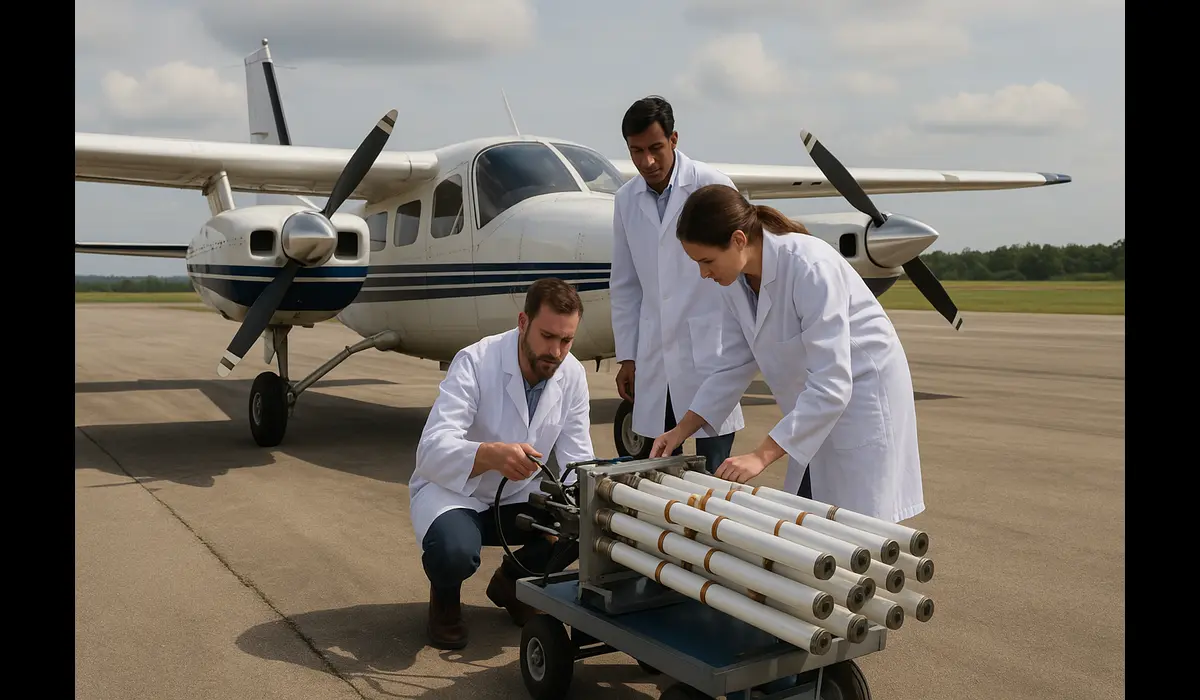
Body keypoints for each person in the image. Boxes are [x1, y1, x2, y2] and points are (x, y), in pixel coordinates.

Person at [649, 184, 925, 524]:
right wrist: (681, 430)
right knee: (815, 518)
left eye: (707, 261)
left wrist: (760, 456)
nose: (703, 273)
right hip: (817, 403)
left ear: (738, 240)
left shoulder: (809, 266)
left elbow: (833, 383)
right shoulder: (736, 281)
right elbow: (732, 365)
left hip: (862, 397)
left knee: (858, 526)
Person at [410, 278, 595, 650]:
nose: (556, 351)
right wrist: (490, 455)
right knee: (454, 551)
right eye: (547, 336)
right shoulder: (476, 361)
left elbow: (578, 459)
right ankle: (445, 600)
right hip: (455, 494)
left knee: (585, 521)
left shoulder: (571, 374)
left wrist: (592, 500)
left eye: (566, 340)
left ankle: (510, 583)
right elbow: (431, 450)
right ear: (523, 322)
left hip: (517, 497)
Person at [610, 95, 744, 473]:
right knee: (658, 471)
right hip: (655, 354)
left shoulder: (712, 185)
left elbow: (739, 268)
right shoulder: (625, 200)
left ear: (673, 139)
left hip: (710, 350)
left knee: (714, 472)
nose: (647, 162)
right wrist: (628, 356)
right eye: (636, 151)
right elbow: (625, 284)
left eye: (655, 148)